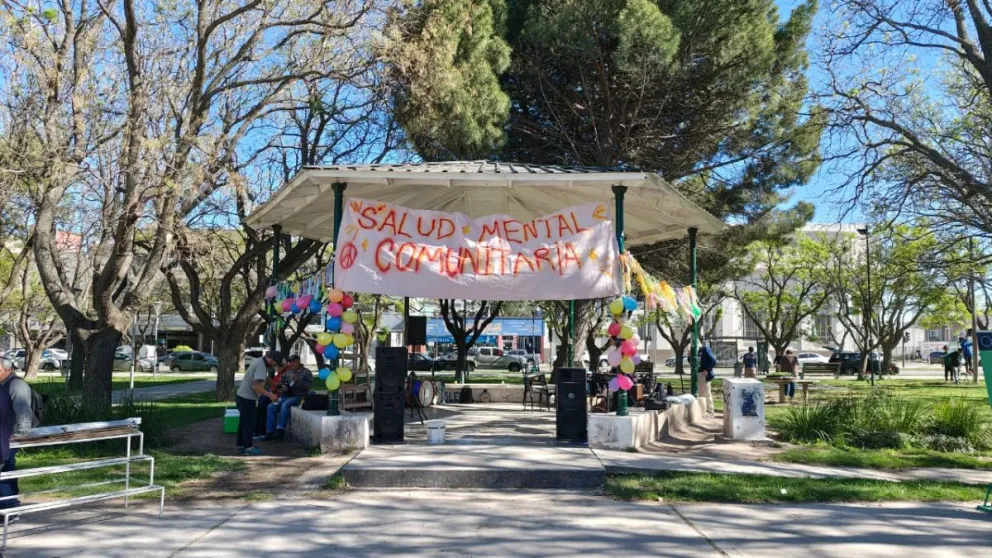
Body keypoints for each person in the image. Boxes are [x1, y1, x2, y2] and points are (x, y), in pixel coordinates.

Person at [0, 357, 37, 514]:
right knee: (8, 471)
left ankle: (8, 508)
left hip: (10, 437)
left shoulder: (16, 385)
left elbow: (23, 411)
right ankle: (11, 504)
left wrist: (19, 434)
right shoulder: (4, 384)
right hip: (5, 436)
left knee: (5, 473)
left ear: (8, 370)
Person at [236, 350, 282, 455]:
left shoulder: (260, 361)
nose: (274, 365)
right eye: (275, 363)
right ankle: (248, 448)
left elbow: (264, 377)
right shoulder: (261, 366)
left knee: (244, 423)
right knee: (249, 424)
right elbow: (256, 387)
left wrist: (272, 384)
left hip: (241, 396)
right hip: (247, 398)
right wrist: (271, 395)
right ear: (271, 359)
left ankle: (241, 445)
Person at [263, 355, 313, 440]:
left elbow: (309, 386)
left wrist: (299, 381)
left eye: (295, 362)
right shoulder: (288, 372)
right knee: (271, 406)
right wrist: (282, 388)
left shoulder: (306, 372)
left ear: (299, 361)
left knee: (285, 405)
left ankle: (280, 429)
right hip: (286, 395)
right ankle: (270, 432)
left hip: (299, 396)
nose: (293, 364)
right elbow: (280, 384)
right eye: (291, 362)